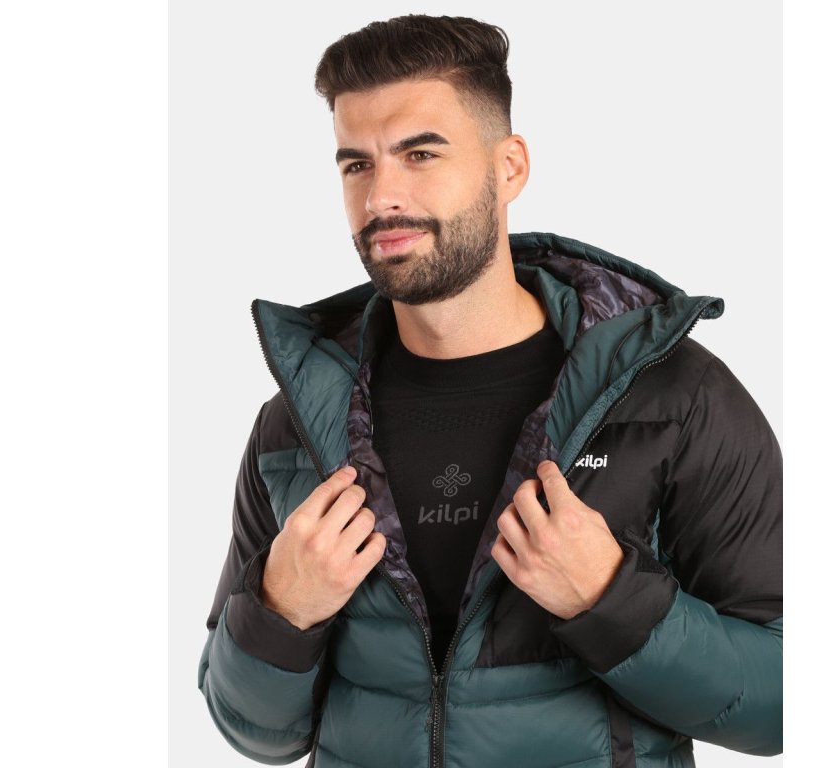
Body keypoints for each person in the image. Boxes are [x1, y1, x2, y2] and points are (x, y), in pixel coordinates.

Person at [197, 14, 782, 768]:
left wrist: (612, 601)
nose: (381, 197)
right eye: (356, 165)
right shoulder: (297, 426)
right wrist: (281, 612)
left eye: (420, 154)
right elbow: (251, 731)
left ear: (509, 168)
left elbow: (783, 705)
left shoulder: (671, 399)